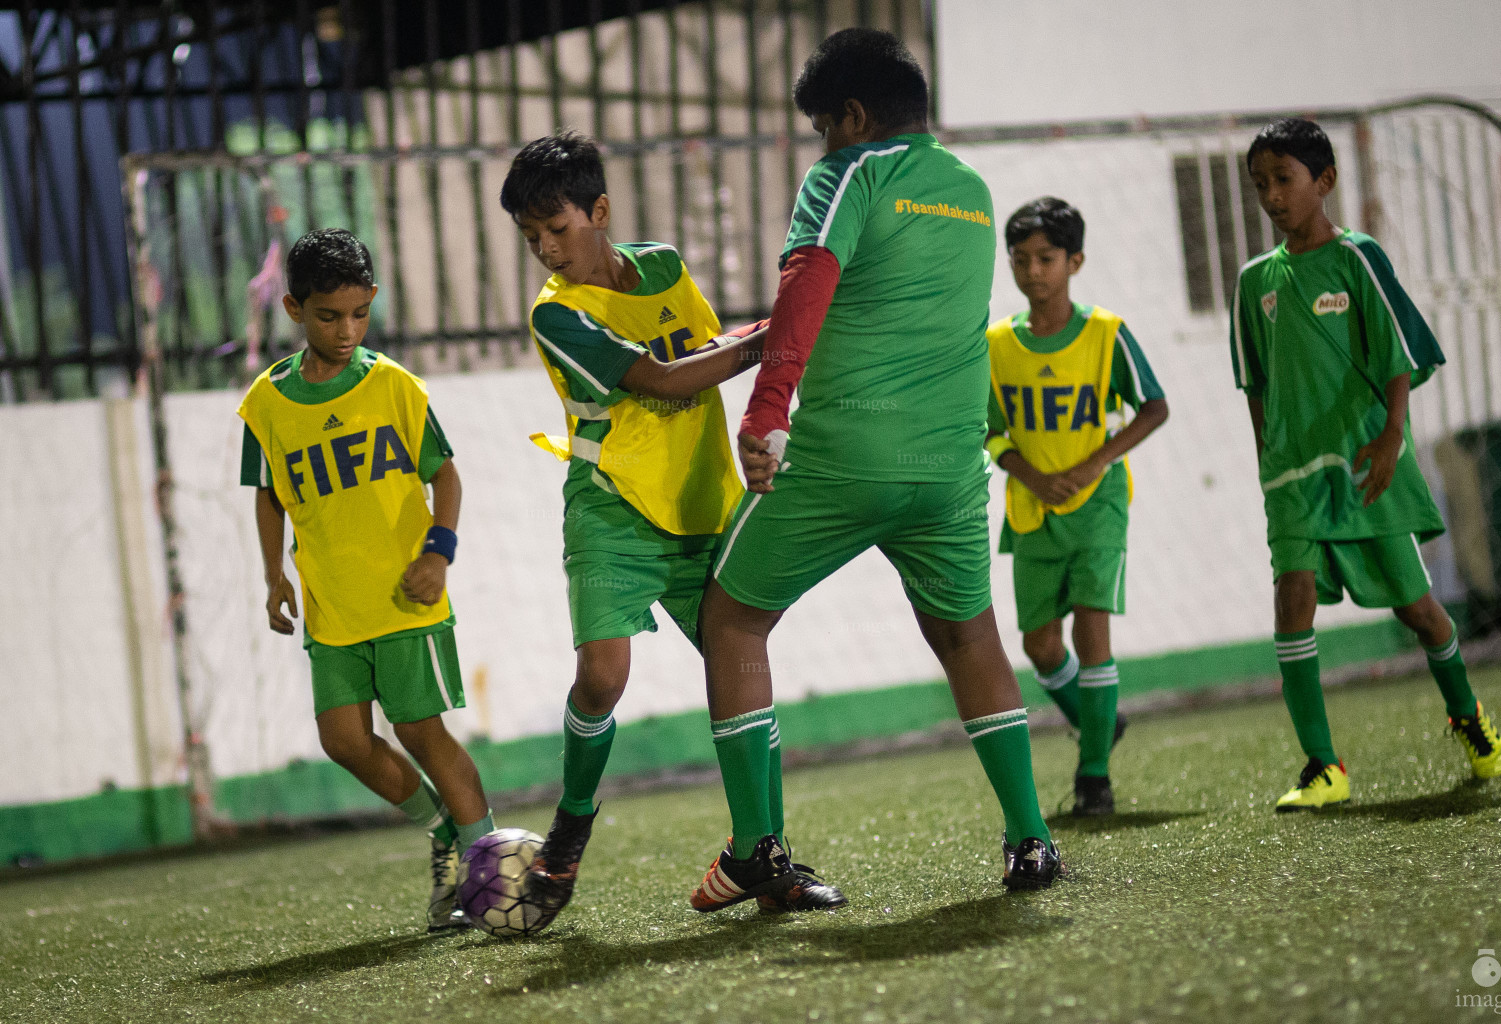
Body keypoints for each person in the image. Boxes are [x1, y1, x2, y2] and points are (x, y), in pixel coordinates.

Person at [690, 28, 1061, 915]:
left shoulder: (848, 175)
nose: (821, 145)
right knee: (971, 638)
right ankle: (1031, 840)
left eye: (823, 126)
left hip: (844, 456)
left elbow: (806, 282)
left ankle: (757, 849)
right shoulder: (971, 192)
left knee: (732, 619)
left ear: (852, 117)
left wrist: (766, 408)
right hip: (948, 466)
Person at [500, 131, 769, 925]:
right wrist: (781, 332)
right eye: (531, 238)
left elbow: (712, 348)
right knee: (603, 676)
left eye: (558, 228)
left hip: (697, 504)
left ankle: (766, 851)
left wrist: (760, 416)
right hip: (611, 502)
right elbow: (664, 378)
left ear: (600, 210)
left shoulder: (666, 268)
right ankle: (572, 826)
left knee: (742, 667)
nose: (547, 249)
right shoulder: (558, 315)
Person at [1230, 118, 1501, 812]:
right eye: (1260, 183)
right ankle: (1324, 765)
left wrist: (1392, 436)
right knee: (1291, 608)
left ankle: (1470, 718)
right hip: (1293, 478)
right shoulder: (1253, 282)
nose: (1271, 196)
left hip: (1363, 465)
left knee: (1418, 612)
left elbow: (1398, 354)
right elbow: (1255, 384)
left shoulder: (1358, 259)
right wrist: (1269, 459)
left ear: (1323, 182)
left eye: (1284, 180)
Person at [238, 228, 493, 931]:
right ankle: (443, 827)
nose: (346, 329)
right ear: (294, 308)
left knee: (423, 733)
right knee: (344, 742)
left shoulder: (393, 387)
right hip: (333, 606)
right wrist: (272, 577)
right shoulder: (265, 404)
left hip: (405, 598)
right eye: (328, 316)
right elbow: (266, 493)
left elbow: (444, 473)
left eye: (359, 313)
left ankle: (487, 875)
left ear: (372, 301)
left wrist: (438, 553)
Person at [985, 197, 1169, 816]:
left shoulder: (1105, 334)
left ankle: (1094, 777)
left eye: (1046, 258)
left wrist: (1094, 463)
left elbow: (1153, 407)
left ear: (1075, 261)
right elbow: (989, 431)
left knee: (1093, 631)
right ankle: (1101, 722)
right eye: (1020, 258)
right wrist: (1031, 474)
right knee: (1039, 646)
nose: (1033, 271)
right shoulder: (996, 345)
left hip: (1097, 506)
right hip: (1032, 510)